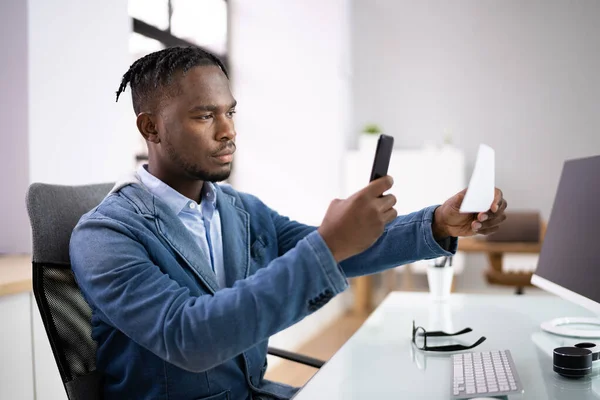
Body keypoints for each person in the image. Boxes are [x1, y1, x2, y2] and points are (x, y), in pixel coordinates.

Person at [70, 46, 507, 400]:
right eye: (205, 116)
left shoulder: (239, 209)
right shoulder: (104, 235)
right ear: (150, 127)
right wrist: (331, 245)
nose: (228, 131)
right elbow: (188, 337)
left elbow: (343, 248)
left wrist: (438, 224)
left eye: (231, 112)